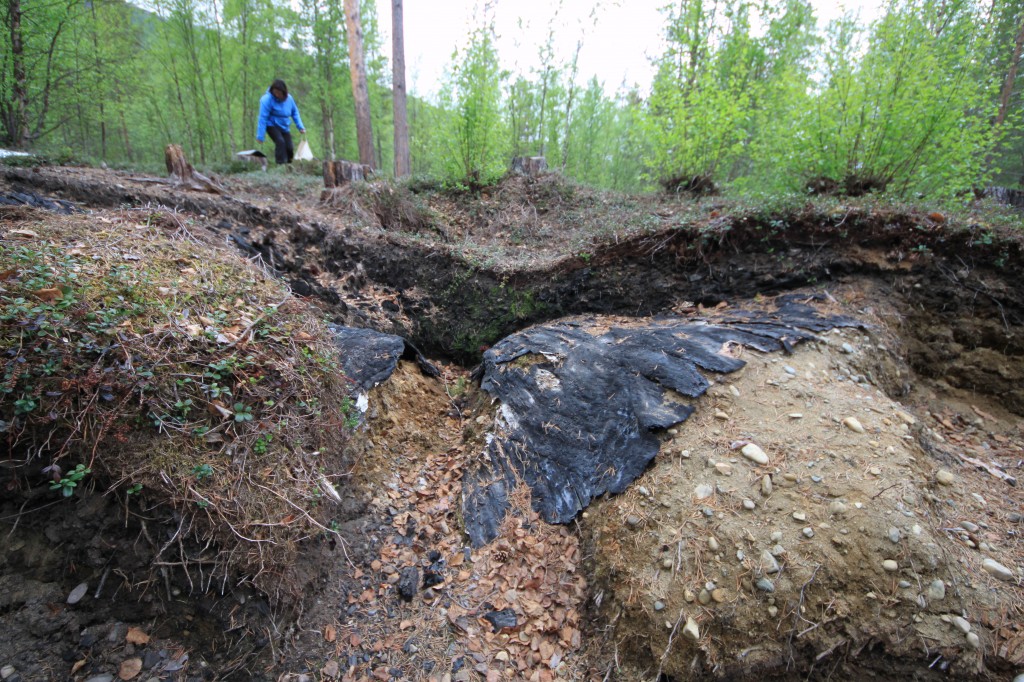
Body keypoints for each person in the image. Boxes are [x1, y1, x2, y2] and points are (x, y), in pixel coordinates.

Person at [256, 79, 305, 165]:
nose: (277, 95)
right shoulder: (266, 99)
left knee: (289, 147)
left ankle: (289, 166)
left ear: (284, 92)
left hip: (284, 126)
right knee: (280, 142)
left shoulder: (289, 99)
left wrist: (300, 126)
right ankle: (280, 165)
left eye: (279, 93)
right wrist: (260, 136)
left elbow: (295, 113)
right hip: (271, 125)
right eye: (275, 92)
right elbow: (263, 118)